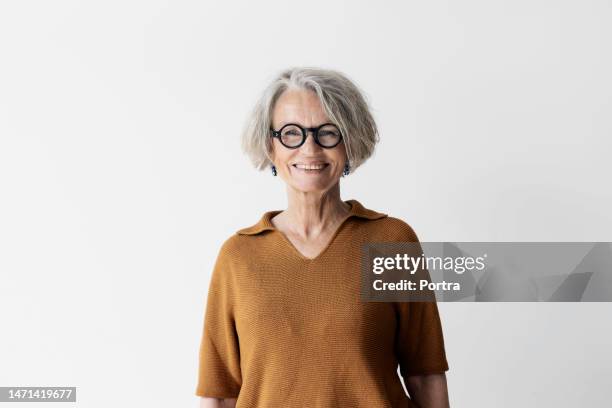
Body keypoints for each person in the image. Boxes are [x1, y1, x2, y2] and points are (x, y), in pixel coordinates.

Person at [196, 67, 450, 408]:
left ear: (349, 141)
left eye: (327, 133)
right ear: (270, 146)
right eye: (291, 133)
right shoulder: (238, 256)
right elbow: (219, 392)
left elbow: (424, 373)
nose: (310, 148)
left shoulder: (392, 242)